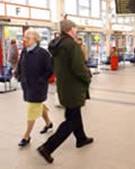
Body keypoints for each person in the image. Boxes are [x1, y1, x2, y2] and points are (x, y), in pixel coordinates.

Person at [38, 20, 93, 164]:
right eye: (75, 28)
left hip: (63, 86)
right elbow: (78, 67)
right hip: (74, 87)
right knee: (71, 120)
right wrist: (87, 78)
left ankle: (81, 138)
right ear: (70, 29)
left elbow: (54, 64)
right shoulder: (71, 45)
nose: (76, 31)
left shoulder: (56, 44)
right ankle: (47, 148)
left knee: (73, 112)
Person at [17, 28, 53, 147]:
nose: (25, 40)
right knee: (38, 105)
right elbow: (20, 66)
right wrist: (19, 76)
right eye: (25, 37)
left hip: (38, 87)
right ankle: (48, 123)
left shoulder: (43, 53)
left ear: (36, 40)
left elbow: (50, 70)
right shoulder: (24, 52)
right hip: (27, 85)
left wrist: (41, 80)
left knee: (32, 109)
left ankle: (26, 136)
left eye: (28, 38)